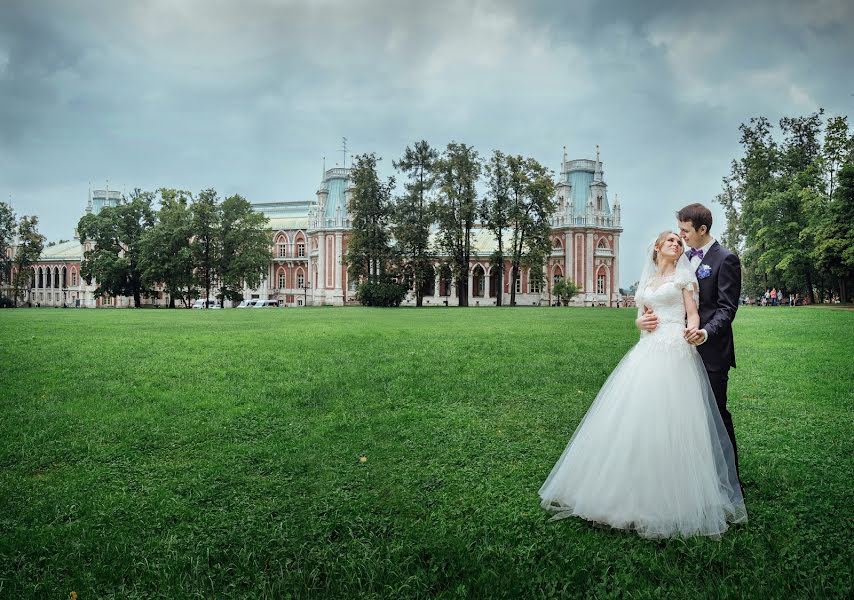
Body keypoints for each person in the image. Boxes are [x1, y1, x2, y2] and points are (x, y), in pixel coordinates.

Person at [539, 229, 746, 539]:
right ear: (657, 249)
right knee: (637, 417)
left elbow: (692, 314)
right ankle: (626, 486)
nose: (677, 243)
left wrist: (691, 334)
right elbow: (641, 315)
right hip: (647, 349)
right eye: (671, 241)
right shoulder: (647, 283)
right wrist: (639, 322)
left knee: (674, 418)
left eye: (679, 240)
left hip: (675, 349)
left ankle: (676, 490)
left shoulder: (683, 279)